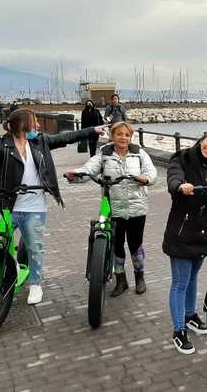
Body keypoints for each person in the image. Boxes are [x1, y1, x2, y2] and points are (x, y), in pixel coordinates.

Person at [0, 109, 107, 305]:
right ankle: (7, 272)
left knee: (34, 247)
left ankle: (35, 284)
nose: (39, 126)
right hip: (6, 205)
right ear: (24, 125)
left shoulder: (40, 142)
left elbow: (67, 137)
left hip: (34, 207)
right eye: (35, 122)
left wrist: (92, 130)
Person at [64, 122, 157, 296]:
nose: (123, 138)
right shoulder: (104, 154)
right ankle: (121, 280)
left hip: (137, 208)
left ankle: (140, 277)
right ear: (112, 136)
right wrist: (75, 174)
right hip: (114, 207)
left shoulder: (139, 153)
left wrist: (145, 178)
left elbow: (152, 173)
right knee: (117, 245)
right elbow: (89, 169)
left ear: (131, 137)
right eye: (119, 134)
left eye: (127, 135)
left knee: (136, 245)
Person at [162, 132, 207, 354]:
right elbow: (173, 177)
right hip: (181, 231)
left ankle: (190, 315)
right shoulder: (182, 158)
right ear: (201, 140)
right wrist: (180, 186)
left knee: (192, 278)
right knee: (180, 282)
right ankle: (178, 330)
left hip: (201, 232)